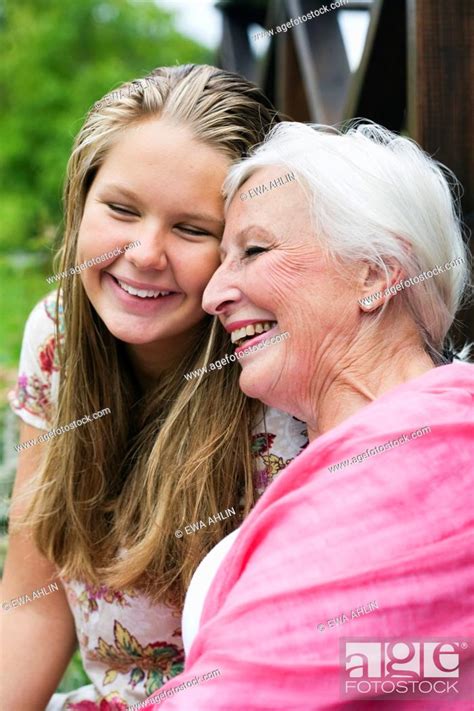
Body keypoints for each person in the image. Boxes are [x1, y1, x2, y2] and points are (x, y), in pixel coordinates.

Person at [1, 69, 307, 711]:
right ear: (80, 202)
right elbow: (32, 607)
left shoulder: (285, 379)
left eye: (193, 229)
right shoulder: (56, 335)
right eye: (120, 209)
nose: (144, 253)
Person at [140, 122, 474, 709]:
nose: (213, 293)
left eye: (255, 250)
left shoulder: (440, 448)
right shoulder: (371, 459)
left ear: (374, 272)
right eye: (221, 260)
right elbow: (401, 669)